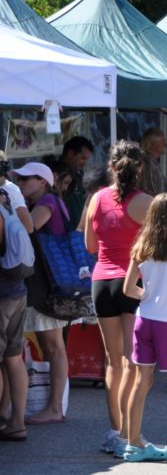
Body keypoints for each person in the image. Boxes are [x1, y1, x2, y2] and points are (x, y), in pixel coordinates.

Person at [85, 141, 154, 457]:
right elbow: (158, 248)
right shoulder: (147, 203)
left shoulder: (95, 199)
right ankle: (129, 432)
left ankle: (115, 432)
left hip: (101, 281)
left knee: (113, 361)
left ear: (111, 167)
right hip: (133, 281)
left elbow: (90, 246)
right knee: (131, 359)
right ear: (139, 168)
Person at [122, 193, 167, 462]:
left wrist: (148, 295)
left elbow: (128, 288)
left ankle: (132, 444)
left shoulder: (140, 245)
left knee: (141, 382)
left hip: (145, 318)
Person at [13, 162, 70, 425]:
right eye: (20, 179)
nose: (22, 183)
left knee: (54, 346)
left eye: (27, 179)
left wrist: (14, 206)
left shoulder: (47, 202)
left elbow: (29, 228)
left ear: (43, 181)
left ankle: (55, 407)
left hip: (49, 287)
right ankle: (52, 405)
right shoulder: (44, 201)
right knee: (50, 346)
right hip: (43, 287)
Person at [0, 184, 29, 443]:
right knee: (13, 359)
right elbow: (28, 226)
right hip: (17, 290)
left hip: (1, 294)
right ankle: (17, 423)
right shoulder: (9, 200)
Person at [60, 135, 94, 229]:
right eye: (83, 158)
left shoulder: (79, 177)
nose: (84, 162)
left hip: (80, 234)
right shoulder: (55, 176)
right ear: (70, 154)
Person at [139, 128, 167, 196]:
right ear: (153, 143)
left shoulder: (153, 162)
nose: (165, 144)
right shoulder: (146, 163)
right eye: (162, 141)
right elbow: (147, 191)